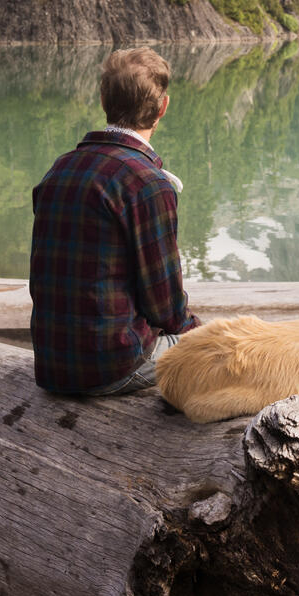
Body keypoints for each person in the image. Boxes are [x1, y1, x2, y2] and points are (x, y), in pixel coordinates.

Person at [29, 47, 200, 395]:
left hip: (50, 364)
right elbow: (166, 308)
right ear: (162, 107)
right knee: (219, 349)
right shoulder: (148, 185)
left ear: (104, 98)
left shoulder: (59, 169)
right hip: (111, 367)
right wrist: (199, 333)